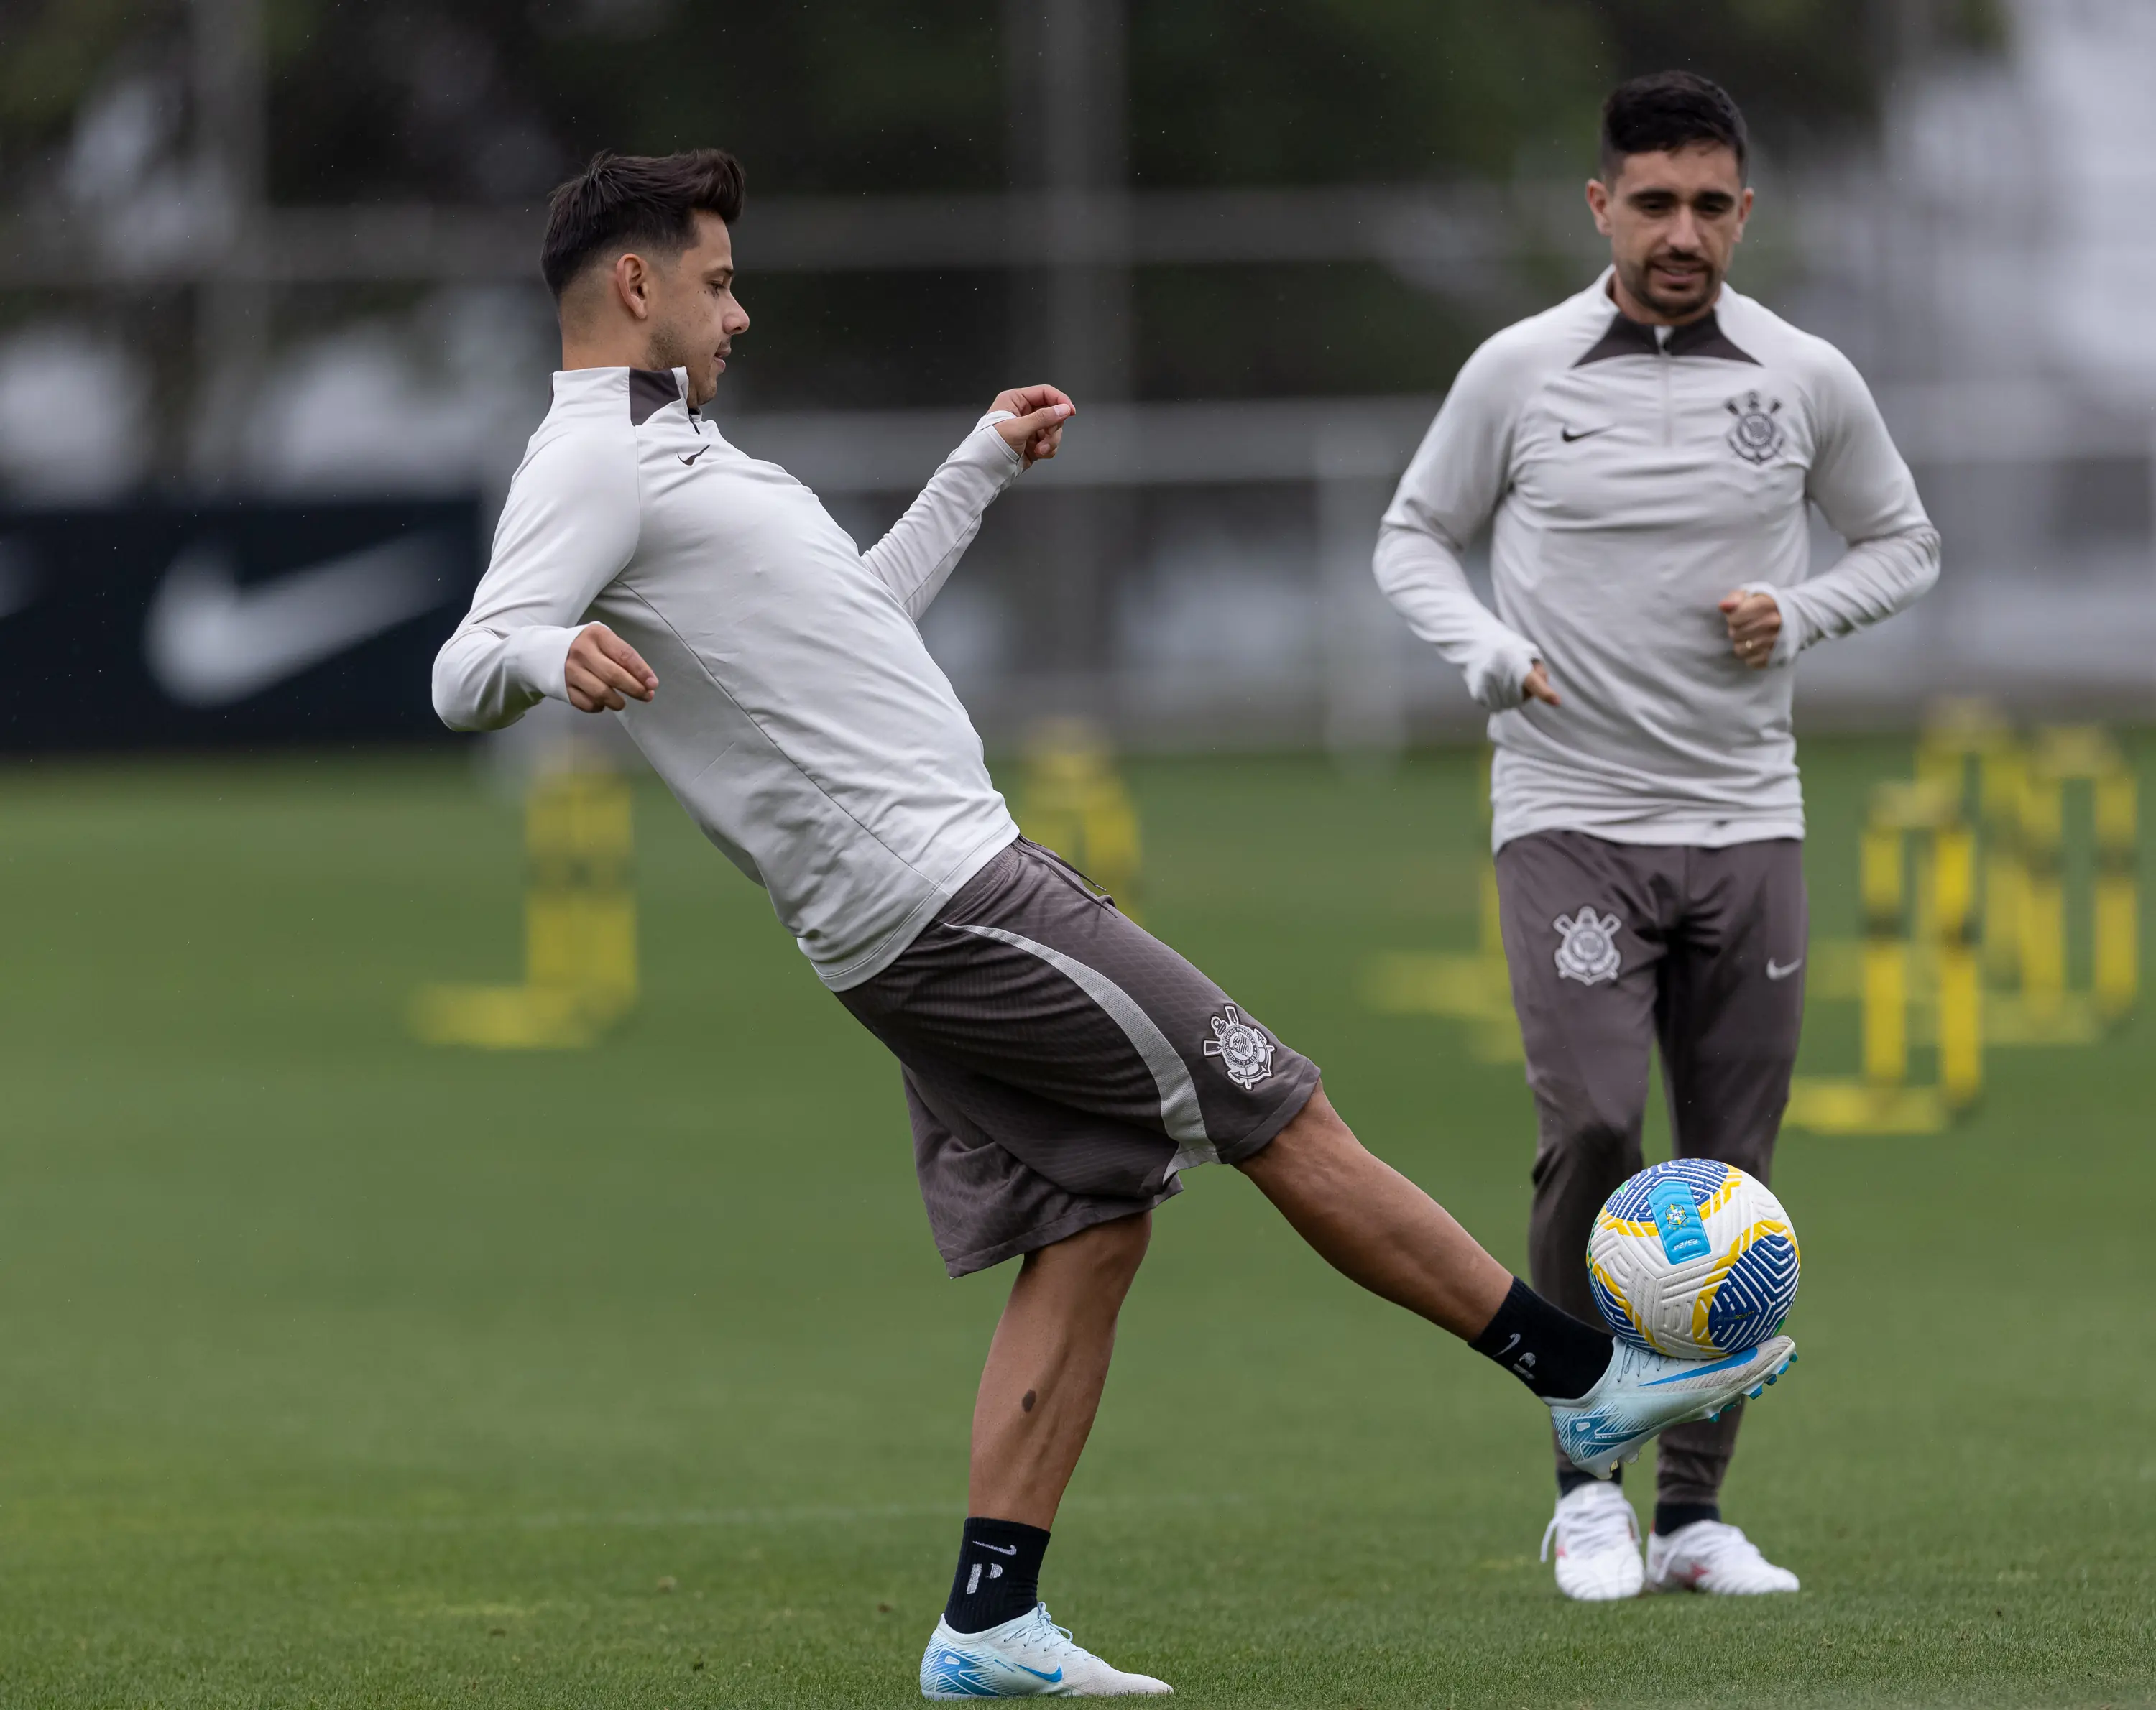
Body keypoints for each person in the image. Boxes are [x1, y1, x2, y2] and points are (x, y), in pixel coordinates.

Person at [433, 147, 1793, 1697]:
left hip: (914, 903)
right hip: (949, 896)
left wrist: (976, 469)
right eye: (719, 278)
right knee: (1284, 1103)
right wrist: (549, 660)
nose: (738, 309)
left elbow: (855, 629)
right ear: (636, 284)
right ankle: (1594, 1378)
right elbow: (463, 662)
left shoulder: (686, 449)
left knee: (1090, 1220)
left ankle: (989, 1622)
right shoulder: (592, 456)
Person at [1376, 71, 1937, 1604]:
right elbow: (1412, 534)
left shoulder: (1806, 376)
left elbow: (1906, 539)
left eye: (1710, 204)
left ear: (1744, 211)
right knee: (1601, 1130)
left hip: (1751, 816)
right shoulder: (1520, 368)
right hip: (1572, 813)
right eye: (1654, 202)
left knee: (1731, 1186)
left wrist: (1803, 607)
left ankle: (1694, 1515)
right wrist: (1483, 649)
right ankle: (1584, 1488)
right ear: (1599, 207)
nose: (1682, 231)